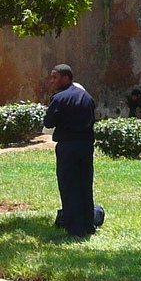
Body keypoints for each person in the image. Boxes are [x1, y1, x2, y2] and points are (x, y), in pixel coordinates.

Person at [45, 63, 99, 238]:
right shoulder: (87, 97)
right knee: (85, 184)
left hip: (67, 146)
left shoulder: (59, 98)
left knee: (69, 186)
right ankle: (88, 224)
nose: (52, 80)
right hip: (85, 146)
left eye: (55, 77)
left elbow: (49, 122)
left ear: (66, 78)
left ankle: (75, 228)